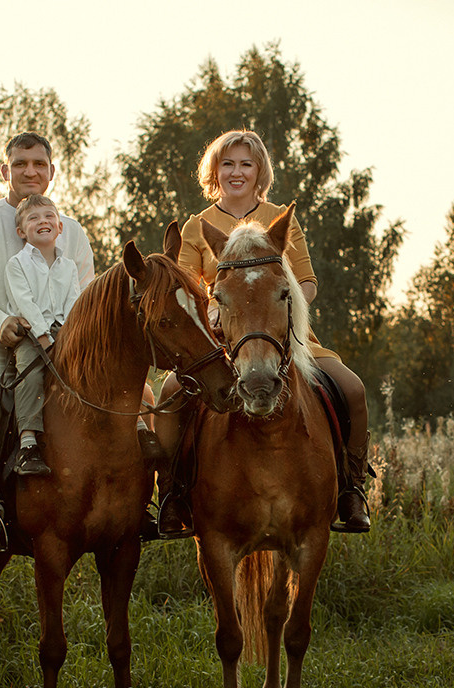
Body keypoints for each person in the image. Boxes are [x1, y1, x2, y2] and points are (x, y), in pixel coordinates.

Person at [156, 129, 373, 537]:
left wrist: (286, 309)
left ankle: (351, 487)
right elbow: (183, 284)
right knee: (169, 393)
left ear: (260, 171)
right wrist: (216, 308)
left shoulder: (281, 218)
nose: (237, 172)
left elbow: (306, 282)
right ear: (214, 171)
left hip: (283, 336)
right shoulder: (196, 226)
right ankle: (172, 492)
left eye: (246, 164)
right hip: (219, 341)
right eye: (228, 163)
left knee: (354, 389)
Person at [0, 132, 95, 553]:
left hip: (63, 341)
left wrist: (69, 333)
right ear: (4, 170)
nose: (30, 171)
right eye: (20, 164)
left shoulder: (73, 231)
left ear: (51, 172)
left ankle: (126, 500)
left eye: (39, 164)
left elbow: (86, 289)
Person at [2, 193, 81, 477]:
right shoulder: (17, 265)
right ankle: (28, 442)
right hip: (31, 335)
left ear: (59, 227)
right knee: (30, 372)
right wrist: (44, 338)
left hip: (66, 331)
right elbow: (25, 304)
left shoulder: (68, 265)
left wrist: (73, 335)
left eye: (49, 216)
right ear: (22, 232)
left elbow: (74, 302)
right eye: (33, 218)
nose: (42, 221)